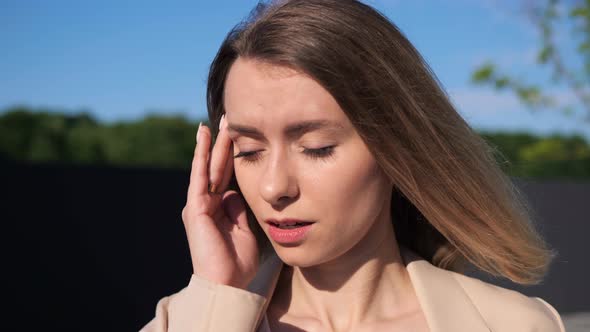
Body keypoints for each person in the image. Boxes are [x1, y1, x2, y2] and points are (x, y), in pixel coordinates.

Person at [140, 0, 565, 331]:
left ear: (396, 148)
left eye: (317, 147)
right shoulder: (182, 323)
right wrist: (218, 298)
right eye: (249, 151)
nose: (274, 188)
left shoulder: (516, 325)